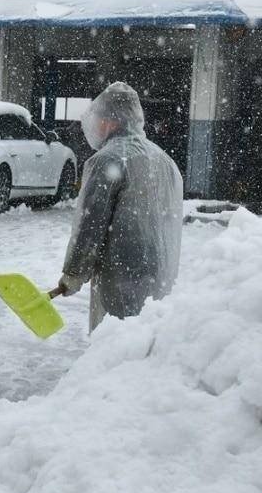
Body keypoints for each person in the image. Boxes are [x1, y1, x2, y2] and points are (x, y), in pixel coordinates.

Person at [54, 82, 183, 333]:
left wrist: (73, 272)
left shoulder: (107, 160)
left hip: (120, 276)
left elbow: (90, 223)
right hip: (161, 277)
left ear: (112, 120)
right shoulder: (165, 160)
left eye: (98, 118)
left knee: (113, 347)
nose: (95, 125)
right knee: (148, 346)